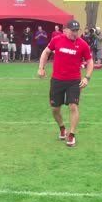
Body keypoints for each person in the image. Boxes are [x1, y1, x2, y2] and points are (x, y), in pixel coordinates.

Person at [37, 19, 93, 147]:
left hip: (74, 81)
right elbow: (46, 52)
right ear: (65, 30)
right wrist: (41, 68)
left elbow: (90, 61)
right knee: (55, 109)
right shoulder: (57, 40)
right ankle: (62, 128)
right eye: (72, 30)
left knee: (73, 106)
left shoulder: (83, 44)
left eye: (76, 31)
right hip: (57, 80)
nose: (75, 33)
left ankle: (71, 135)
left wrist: (87, 78)